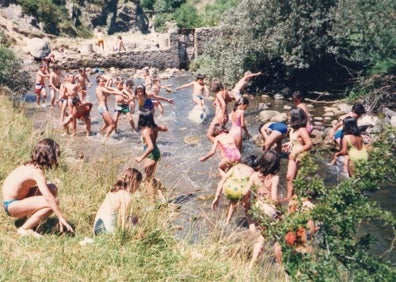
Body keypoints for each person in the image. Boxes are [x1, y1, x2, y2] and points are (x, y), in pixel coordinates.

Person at [2, 138, 74, 238]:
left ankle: (28, 219)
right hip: (11, 206)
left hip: (12, 202)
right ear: (51, 157)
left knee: (52, 188)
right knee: (53, 203)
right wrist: (60, 217)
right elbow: (48, 197)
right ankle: (25, 228)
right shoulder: (37, 173)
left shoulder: (29, 165)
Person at [249, 150, 282, 268]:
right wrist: (280, 211)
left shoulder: (253, 175)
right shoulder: (274, 178)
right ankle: (282, 267)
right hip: (269, 209)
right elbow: (274, 199)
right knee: (277, 237)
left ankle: (253, 264)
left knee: (262, 234)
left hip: (258, 208)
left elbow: (248, 192)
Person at [93, 167, 143, 235]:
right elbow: (121, 218)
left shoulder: (113, 191)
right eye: (139, 184)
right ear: (135, 182)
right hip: (106, 230)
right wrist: (123, 235)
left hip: (97, 227)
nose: (139, 187)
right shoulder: (126, 196)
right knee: (135, 221)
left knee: (133, 217)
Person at [135, 109, 168, 204]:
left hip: (151, 154)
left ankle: (151, 203)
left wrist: (140, 157)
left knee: (147, 180)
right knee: (150, 176)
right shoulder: (154, 127)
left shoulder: (146, 131)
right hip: (156, 152)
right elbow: (165, 129)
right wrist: (159, 128)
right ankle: (160, 193)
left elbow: (150, 146)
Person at [286, 107, 312, 199]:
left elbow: (309, 144)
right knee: (289, 177)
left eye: (289, 116)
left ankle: (299, 198)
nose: (288, 118)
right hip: (293, 154)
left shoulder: (302, 129)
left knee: (300, 179)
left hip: (301, 155)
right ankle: (289, 197)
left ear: (295, 117)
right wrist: (289, 143)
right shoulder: (293, 129)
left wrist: (297, 151)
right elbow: (295, 139)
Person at [95, 75, 129, 139]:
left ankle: (99, 135)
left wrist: (108, 81)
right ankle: (105, 139)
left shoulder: (100, 88)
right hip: (103, 108)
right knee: (112, 124)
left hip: (103, 108)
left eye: (104, 81)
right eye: (102, 82)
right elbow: (111, 92)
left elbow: (108, 92)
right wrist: (121, 93)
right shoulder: (100, 88)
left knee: (107, 124)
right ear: (98, 83)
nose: (104, 83)